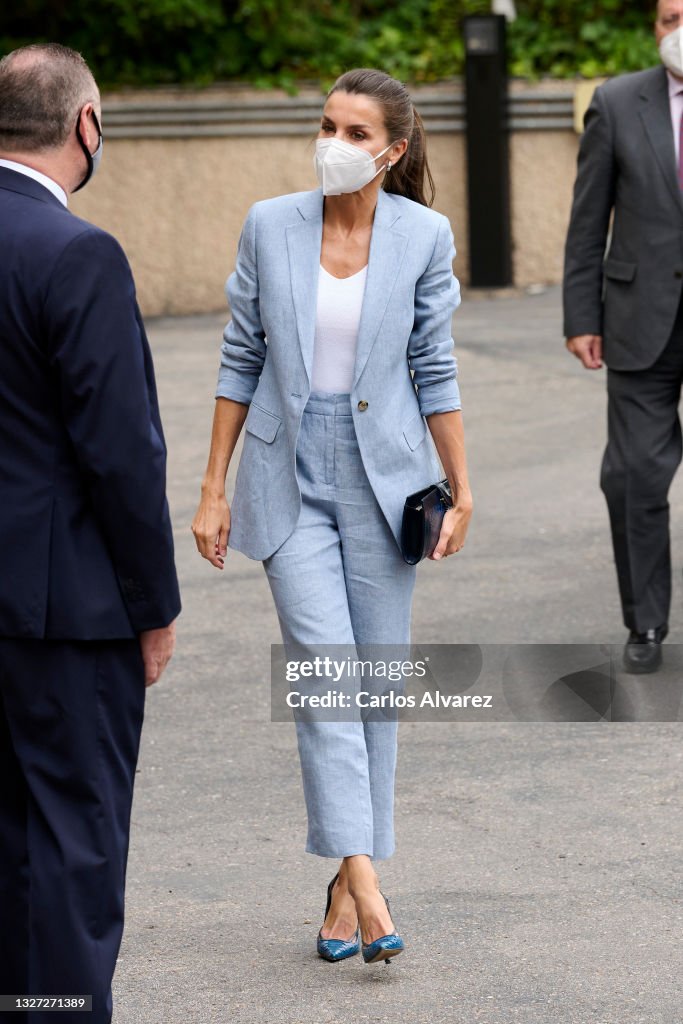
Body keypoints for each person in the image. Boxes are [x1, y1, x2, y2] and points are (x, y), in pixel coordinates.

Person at [192, 67, 472, 964]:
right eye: (325, 125)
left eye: (356, 134)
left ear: (391, 151)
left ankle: (341, 888)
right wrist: (211, 486)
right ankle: (368, 880)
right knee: (324, 676)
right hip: (287, 472)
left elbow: (435, 368)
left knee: (374, 688)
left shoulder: (423, 235)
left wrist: (462, 489)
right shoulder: (270, 224)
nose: (334, 145)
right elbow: (241, 357)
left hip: (387, 475)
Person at [0, 44, 180, 1022]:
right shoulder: (79, 253)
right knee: (72, 845)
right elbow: (121, 451)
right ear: (85, 126)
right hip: (66, 610)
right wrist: (154, 608)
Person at [563, 0, 683, 674]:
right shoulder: (615, 102)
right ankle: (644, 622)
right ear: (653, 28)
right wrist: (581, 316)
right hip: (640, 321)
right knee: (633, 477)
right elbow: (587, 219)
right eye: (668, 18)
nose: (678, 30)